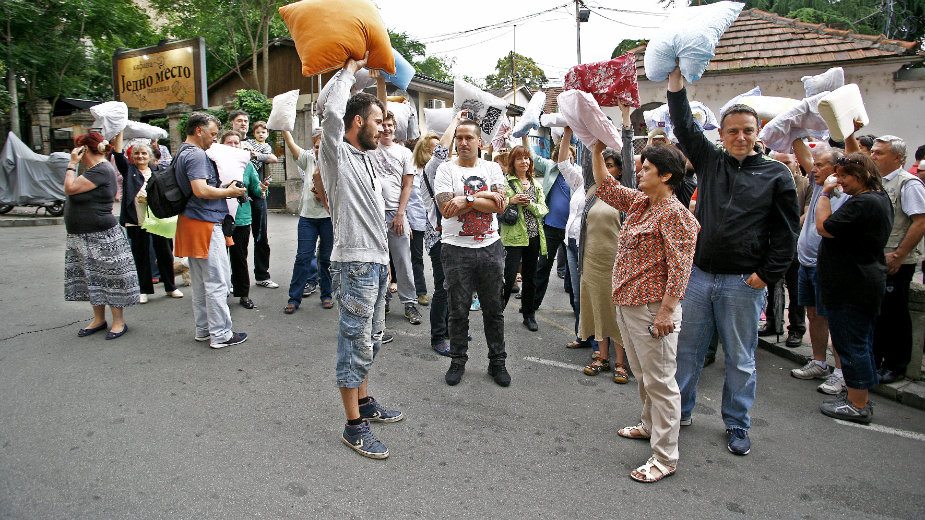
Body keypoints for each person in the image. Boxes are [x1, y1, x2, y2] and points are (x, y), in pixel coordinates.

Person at [667, 66, 800, 456]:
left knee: (740, 360)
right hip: (700, 277)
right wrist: (676, 83)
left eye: (748, 130)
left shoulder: (777, 175)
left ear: (757, 132)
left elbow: (786, 233)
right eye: (732, 131)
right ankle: (680, 413)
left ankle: (738, 424)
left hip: (743, 283)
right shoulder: (710, 161)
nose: (740, 137)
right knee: (687, 353)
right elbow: (683, 124)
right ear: (721, 136)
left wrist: (765, 275)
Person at [592, 138, 700, 483]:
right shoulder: (642, 203)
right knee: (644, 375)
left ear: (666, 175)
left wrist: (666, 313)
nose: (638, 173)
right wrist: (595, 150)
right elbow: (607, 188)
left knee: (661, 382)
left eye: (646, 169)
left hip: (653, 309)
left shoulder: (675, 215)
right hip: (629, 303)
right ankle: (649, 425)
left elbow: (681, 269)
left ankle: (665, 457)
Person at [319, 56, 403, 460]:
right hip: (353, 264)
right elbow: (331, 110)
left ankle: (365, 403)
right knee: (354, 345)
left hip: (374, 261)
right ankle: (354, 426)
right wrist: (350, 70)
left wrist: (386, 263)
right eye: (376, 121)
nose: (383, 127)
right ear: (356, 123)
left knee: (370, 341)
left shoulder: (368, 158)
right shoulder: (336, 153)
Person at [816, 153, 893, 423]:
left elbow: (824, 227)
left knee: (852, 344)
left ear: (859, 176)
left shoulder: (865, 202)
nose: (840, 182)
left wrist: (824, 194)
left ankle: (858, 404)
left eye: (844, 176)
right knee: (859, 342)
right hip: (860, 283)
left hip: (852, 286)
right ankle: (857, 395)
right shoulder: (877, 197)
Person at [434, 119, 510, 387]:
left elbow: (499, 206)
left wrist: (465, 199)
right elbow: (446, 209)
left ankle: (497, 362)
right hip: (455, 249)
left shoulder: (492, 168)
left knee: (493, 309)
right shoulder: (445, 169)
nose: (463, 143)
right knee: (458, 310)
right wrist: (484, 198)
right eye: (459, 138)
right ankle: (457, 361)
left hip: (490, 248)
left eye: (469, 138)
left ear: (480, 142)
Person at [173, 112, 248, 349]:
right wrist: (229, 192)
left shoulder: (181, 152)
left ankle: (204, 330)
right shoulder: (196, 155)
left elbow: (199, 189)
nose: (214, 140)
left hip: (190, 222)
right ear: (199, 131)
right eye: (213, 134)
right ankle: (221, 334)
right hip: (205, 224)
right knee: (217, 282)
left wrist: (221, 188)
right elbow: (200, 190)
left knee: (200, 282)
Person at [64, 132, 139, 340]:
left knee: (110, 276)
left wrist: (72, 163)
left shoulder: (101, 169)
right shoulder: (92, 169)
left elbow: (69, 188)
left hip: (101, 233)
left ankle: (118, 321)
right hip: (82, 234)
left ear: (84, 149)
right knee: (91, 277)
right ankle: (98, 319)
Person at [790, 140, 849, 395]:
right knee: (813, 314)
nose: (814, 168)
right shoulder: (819, 184)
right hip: (807, 261)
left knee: (834, 318)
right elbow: (805, 158)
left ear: (837, 169)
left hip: (829, 265)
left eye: (821, 165)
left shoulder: (843, 190)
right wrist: (793, 134)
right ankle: (819, 362)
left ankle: (840, 372)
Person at [869, 135, 925, 383]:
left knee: (894, 314)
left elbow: (920, 221)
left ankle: (895, 365)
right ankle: (877, 360)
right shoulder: (877, 182)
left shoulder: (908, 184)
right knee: (878, 313)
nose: (873, 156)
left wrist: (899, 255)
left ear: (898, 158)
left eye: (879, 153)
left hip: (896, 260)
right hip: (875, 258)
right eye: (873, 151)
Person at [111, 132, 182, 303]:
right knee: (140, 254)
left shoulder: (159, 171)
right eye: (137, 153)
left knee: (164, 252)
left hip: (158, 218)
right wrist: (120, 133)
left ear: (150, 156)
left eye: (144, 153)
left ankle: (170, 286)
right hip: (137, 219)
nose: (140, 156)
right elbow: (118, 155)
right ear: (132, 157)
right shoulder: (129, 171)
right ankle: (143, 289)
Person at [370, 109, 423, 325]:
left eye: (390, 124)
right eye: (382, 124)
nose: (386, 128)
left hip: (395, 213)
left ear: (395, 127)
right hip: (373, 212)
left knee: (402, 260)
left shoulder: (404, 153)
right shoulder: (370, 149)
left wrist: (401, 214)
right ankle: (383, 300)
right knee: (377, 261)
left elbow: (407, 185)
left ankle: (410, 303)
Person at [283, 129, 334, 314]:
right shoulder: (308, 159)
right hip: (308, 219)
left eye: (324, 146)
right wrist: (284, 127)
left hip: (328, 219)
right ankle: (294, 298)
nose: (320, 150)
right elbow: (291, 144)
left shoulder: (335, 163)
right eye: (317, 146)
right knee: (303, 257)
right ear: (313, 147)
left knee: (326, 259)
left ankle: (327, 294)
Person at [499, 145, 548, 332]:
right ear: (513, 162)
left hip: (534, 236)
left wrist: (530, 205)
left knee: (530, 278)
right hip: (513, 237)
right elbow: (498, 205)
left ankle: (528, 314)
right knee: (508, 276)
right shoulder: (506, 182)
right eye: (519, 158)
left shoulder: (535, 184)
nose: (524, 162)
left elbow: (543, 209)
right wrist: (511, 201)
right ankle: (498, 313)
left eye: (527, 158)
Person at [527, 135, 574, 320]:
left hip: (572, 230)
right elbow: (531, 156)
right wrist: (524, 136)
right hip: (551, 227)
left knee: (573, 269)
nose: (566, 160)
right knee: (543, 266)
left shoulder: (577, 172)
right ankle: (533, 304)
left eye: (569, 156)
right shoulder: (550, 168)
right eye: (562, 156)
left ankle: (576, 306)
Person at [219, 130, 265, 310]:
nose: (233, 146)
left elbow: (256, 189)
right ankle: (220, 293)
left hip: (242, 218)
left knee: (239, 258)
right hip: (219, 218)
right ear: (222, 145)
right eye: (229, 142)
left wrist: (263, 189)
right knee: (219, 260)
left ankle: (243, 294)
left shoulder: (247, 165)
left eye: (236, 143)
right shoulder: (215, 163)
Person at [409, 133, 437, 307]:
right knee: (416, 257)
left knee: (438, 258)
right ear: (425, 149)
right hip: (416, 219)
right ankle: (421, 291)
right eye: (435, 147)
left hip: (436, 221)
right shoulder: (412, 169)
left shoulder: (441, 169)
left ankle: (442, 289)